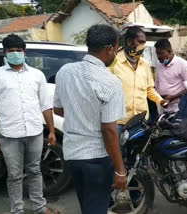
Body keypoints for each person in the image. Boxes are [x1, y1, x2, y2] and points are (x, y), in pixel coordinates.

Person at [53, 25, 127, 214]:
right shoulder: (111, 82)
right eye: (117, 49)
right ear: (110, 48)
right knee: (96, 209)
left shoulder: (64, 71)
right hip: (96, 158)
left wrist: (79, 115)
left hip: (72, 155)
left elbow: (58, 109)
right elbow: (109, 131)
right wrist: (120, 170)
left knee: (87, 206)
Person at [0, 34, 59, 214]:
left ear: (25, 52)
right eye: (11, 51)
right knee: (14, 175)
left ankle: (40, 207)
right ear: (5, 53)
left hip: (35, 133)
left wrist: (52, 131)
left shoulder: (37, 75)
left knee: (35, 171)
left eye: (18, 50)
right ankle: (17, 210)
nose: (15, 53)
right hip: (9, 135)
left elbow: (46, 105)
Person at [110, 27, 168, 133]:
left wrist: (161, 101)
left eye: (144, 42)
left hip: (141, 121)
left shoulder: (144, 64)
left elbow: (149, 89)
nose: (143, 45)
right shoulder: (113, 62)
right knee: (119, 150)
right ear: (129, 42)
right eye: (140, 42)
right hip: (119, 122)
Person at [155, 39, 187, 113]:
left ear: (169, 51)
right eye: (157, 53)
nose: (158, 56)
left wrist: (173, 97)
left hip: (178, 108)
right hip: (163, 107)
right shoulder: (159, 65)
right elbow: (157, 83)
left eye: (161, 53)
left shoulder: (183, 65)